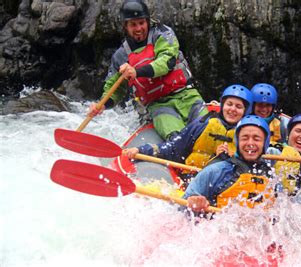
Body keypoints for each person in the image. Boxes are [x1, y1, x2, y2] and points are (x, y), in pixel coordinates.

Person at [89, 0, 207, 140]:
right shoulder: (121, 56)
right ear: (125, 26)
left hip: (186, 95)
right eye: (133, 24)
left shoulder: (162, 34)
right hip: (159, 106)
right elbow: (115, 89)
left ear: (148, 22)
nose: (138, 28)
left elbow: (167, 62)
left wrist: (136, 72)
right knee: (177, 138)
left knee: (207, 131)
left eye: (141, 23)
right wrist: (103, 104)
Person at [123, 84, 252, 175]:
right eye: (229, 104)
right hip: (195, 178)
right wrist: (142, 150)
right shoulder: (203, 124)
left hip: (229, 185)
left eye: (238, 107)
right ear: (223, 105)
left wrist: (230, 157)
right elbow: (173, 148)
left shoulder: (250, 134)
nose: (232, 109)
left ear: (246, 111)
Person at [183, 115, 274, 212]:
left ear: (265, 143)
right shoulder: (216, 171)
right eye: (244, 138)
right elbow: (182, 204)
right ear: (237, 142)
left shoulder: (271, 177)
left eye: (256, 139)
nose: (250, 143)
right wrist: (193, 201)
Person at [250, 83, 301, 150]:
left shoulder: (282, 122)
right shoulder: (243, 122)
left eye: (268, 105)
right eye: (260, 105)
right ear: (253, 105)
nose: (264, 109)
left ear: (273, 106)